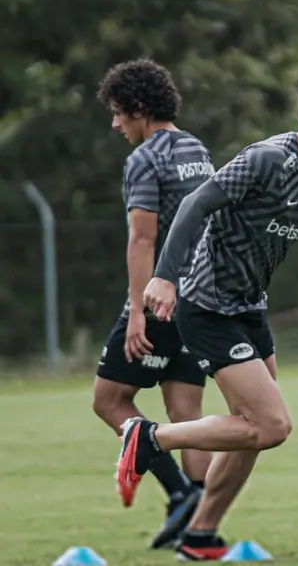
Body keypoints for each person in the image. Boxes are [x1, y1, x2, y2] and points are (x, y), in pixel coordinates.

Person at [114, 66, 298, 561]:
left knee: (249, 431)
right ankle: (150, 437)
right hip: (207, 306)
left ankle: (201, 534)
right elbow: (193, 207)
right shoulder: (266, 159)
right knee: (272, 426)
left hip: (250, 309)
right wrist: (163, 277)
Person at [93, 58, 213, 550]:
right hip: (203, 299)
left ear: (140, 109)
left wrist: (137, 310)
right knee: (187, 415)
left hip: (160, 299)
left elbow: (143, 239)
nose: (116, 123)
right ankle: (202, 520)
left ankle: (181, 492)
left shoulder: (146, 158)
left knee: (108, 399)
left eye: (120, 113)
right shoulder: (196, 149)